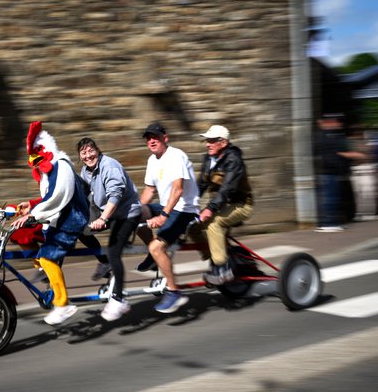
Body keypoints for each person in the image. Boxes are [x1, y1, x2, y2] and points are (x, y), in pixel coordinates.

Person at [11, 121, 90, 325]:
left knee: (47, 257)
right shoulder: (49, 172)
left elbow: (57, 196)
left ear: (46, 149)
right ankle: (44, 268)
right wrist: (30, 206)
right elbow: (49, 197)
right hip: (56, 217)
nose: (34, 160)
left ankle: (63, 304)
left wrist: (31, 216)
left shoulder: (61, 165)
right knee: (19, 234)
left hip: (71, 219)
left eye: (37, 153)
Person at [77, 137, 142, 321]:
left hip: (126, 213)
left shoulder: (109, 166)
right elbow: (83, 196)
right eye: (84, 153)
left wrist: (103, 218)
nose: (88, 155)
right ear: (80, 157)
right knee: (81, 230)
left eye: (91, 151)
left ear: (97, 150)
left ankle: (118, 299)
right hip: (109, 214)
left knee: (114, 252)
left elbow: (115, 195)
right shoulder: (85, 171)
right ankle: (105, 263)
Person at [138, 122, 200, 313]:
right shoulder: (152, 160)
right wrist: (134, 210)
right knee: (137, 217)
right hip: (168, 207)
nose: (151, 141)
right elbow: (149, 190)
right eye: (148, 138)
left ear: (165, 138)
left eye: (155, 137)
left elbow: (178, 189)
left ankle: (174, 292)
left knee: (157, 246)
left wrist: (164, 215)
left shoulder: (176, 156)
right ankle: (154, 254)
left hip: (184, 210)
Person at [189, 125, 254, 285]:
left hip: (241, 205)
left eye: (211, 141)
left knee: (213, 223)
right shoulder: (209, 159)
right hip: (221, 205)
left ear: (223, 142)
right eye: (207, 140)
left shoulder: (233, 159)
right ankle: (213, 255)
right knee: (192, 226)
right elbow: (201, 186)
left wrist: (210, 209)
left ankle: (222, 268)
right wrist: (187, 204)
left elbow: (227, 188)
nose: (207, 144)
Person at [313, 114, 361, 231]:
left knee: (332, 198)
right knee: (330, 198)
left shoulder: (327, 135)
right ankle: (328, 224)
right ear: (327, 123)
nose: (338, 124)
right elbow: (337, 152)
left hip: (330, 171)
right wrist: (352, 155)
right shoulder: (326, 136)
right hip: (328, 171)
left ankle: (331, 222)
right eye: (335, 122)